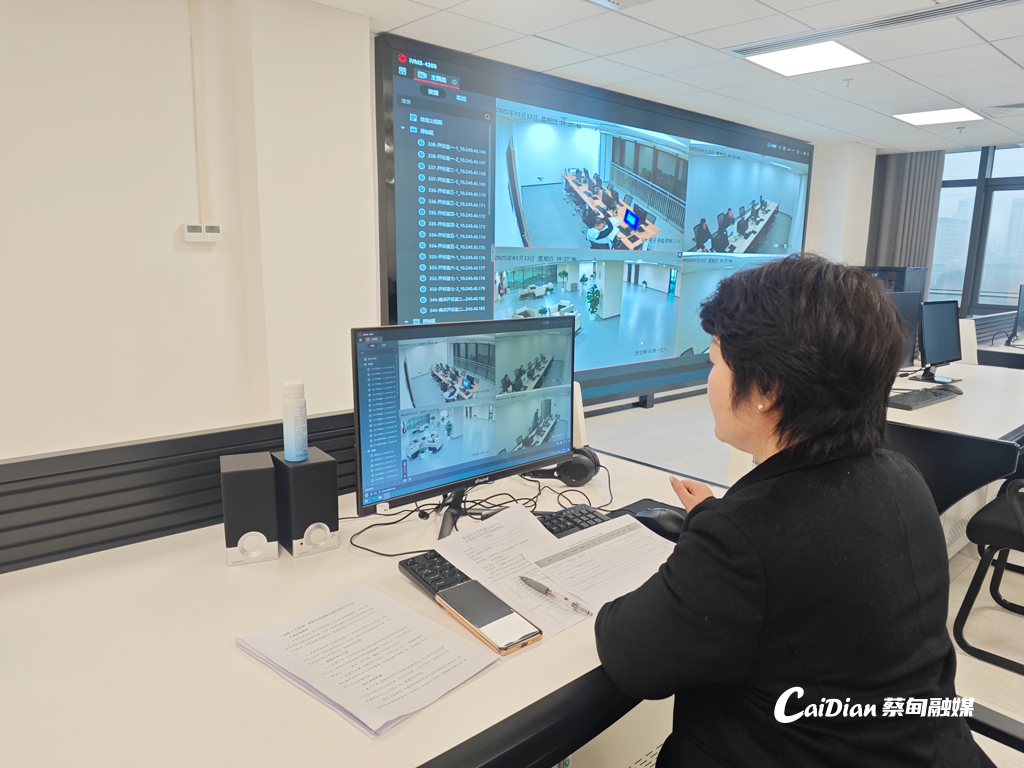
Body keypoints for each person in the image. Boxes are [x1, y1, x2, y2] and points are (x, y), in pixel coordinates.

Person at [595, 255, 994, 768]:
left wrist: (717, 533)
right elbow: (802, 560)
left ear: (766, 390)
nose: (710, 380)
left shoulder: (747, 537)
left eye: (715, 362)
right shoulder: (900, 477)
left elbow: (630, 655)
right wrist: (715, 518)